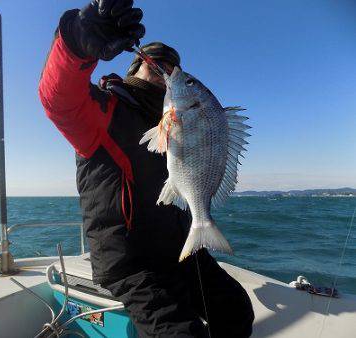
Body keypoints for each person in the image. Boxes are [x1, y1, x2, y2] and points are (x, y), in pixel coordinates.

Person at [39, 1, 254, 337]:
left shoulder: (177, 118)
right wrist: (77, 41)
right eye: (154, 65)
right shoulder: (105, 109)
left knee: (237, 309)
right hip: (132, 263)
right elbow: (59, 100)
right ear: (133, 68)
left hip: (180, 250)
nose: (164, 70)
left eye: (170, 69)